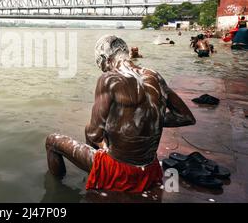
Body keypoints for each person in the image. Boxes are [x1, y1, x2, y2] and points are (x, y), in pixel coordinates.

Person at [45, 35, 196, 193]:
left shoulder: (108, 79)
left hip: (118, 171)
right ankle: (94, 175)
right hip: (149, 170)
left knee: (52, 141)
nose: (102, 69)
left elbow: (94, 134)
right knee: (89, 129)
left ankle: (57, 191)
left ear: (105, 59)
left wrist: (118, 132)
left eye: (100, 64)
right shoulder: (154, 76)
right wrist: (146, 118)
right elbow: (185, 117)